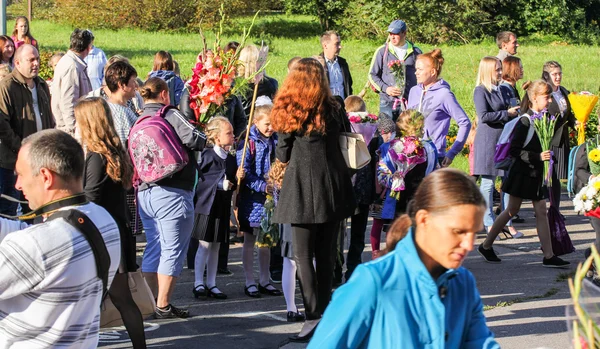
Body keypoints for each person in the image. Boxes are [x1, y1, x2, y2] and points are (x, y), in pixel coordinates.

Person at [308, 169, 500, 349]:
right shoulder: (373, 282)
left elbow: (482, 343)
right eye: (459, 231)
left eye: (474, 233)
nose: (469, 245)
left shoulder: (462, 283)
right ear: (424, 220)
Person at [0, 129, 121, 348]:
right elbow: (32, 236)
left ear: (46, 177)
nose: (17, 185)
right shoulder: (105, 221)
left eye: (21, 174)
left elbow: (33, 246)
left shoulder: (33, 246)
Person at [271, 57, 356, 342]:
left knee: (303, 255)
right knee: (327, 252)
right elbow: (347, 138)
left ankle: (312, 316)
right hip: (333, 184)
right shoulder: (335, 106)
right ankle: (326, 311)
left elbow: (283, 153)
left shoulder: (289, 108)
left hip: (302, 186)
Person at [74, 97, 146, 349]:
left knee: (106, 299)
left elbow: (90, 197)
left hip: (102, 236)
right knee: (120, 298)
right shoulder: (115, 151)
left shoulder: (96, 156)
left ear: (89, 122)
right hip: (117, 231)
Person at [478, 80, 571, 268]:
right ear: (534, 98)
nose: (549, 100)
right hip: (522, 174)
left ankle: (548, 255)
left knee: (540, 212)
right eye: (546, 97)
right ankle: (486, 245)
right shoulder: (525, 121)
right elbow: (515, 151)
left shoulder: (543, 119)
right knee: (511, 211)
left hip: (535, 175)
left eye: (550, 96)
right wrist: (538, 156)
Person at [137, 77, 207, 318]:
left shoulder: (140, 118)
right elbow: (194, 139)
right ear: (165, 94)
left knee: (154, 246)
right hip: (173, 191)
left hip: (145, 190)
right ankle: (163, 304)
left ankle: (148, 303)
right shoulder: (169, 113)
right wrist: (204, 133)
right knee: (172, 249)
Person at [191, 116, 244, 301]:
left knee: (216, 246)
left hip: (221, 207)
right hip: (206, 207)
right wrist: (221, 184)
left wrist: (237, 178)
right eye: (228, 133)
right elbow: (200, 181)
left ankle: (212, 283)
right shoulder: (206, 156)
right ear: (216, 137)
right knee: (204, 245)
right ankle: (198, 282)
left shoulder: (230, 160)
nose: (233, 136)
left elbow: (233, 185)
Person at [472, 56, 523, 239]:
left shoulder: (501, 89)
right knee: (488, 182)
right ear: (487, 71)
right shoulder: (480, 91)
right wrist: (506, 113)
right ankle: (489, 222)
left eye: (501, 69)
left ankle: (506, 222)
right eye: (497, 70)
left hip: (503, 140)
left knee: (507, 182)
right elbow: (484, 116)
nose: (501, 73)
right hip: (487, 141)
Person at [0, 44, 53, 217]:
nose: (36, 63)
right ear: (17, 62)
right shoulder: (6, 87)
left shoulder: (41, 85)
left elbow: (49, 120)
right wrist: (22, 148)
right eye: (31, 60)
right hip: (13, 161)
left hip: (38, 160)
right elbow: (3, 126)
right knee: (10, 210)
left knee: (35, 210)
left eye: (37, 59)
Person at [236, 103, 282, 298]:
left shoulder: (276, 140)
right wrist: (262, 186)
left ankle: (265, 279)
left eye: (273, 124)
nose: (270, 128)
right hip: (252, 198)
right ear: (255, 122)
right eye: (267, 124)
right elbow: (244, 172)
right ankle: (249, 280)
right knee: (249, 239)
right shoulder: (248, 142)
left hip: (270, 197)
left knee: (266, 240)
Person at [407, 48, 471, 168]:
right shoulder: (413, 91)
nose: (416, 73)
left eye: (420, 69)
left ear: (432, 72)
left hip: (434, 157)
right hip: (411, 155)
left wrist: (452, 152)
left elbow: (465, 123)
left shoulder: (444, 95)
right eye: (416, 69)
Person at [269, 159, 305, 322]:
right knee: (299, 261)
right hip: (297, 214)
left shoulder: (281, 167)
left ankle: (292, 307)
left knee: (290, 263)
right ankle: (299, 306)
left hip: (288, 214)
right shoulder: (291, 167)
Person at [368, 19, 422, 119]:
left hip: (410, 103)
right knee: (386, 133)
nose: (392, 37)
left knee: (408, 134)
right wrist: (386, 89)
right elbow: (372, 75)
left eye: (396, 34)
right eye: (390, 33)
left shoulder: (416, 52)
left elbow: (423, 75)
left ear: (404, 33)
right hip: (387, 102)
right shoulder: (382, 51)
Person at [542, 61, 574, 207]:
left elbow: (568, 114)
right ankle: (542, 207)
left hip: (562, 139)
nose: (558, 77)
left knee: (557, 177)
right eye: (554, 74)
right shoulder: (543, 92)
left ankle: (555, 209)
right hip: (548, 139)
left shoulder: (564, 92)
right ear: (546, 76)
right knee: (548, 175)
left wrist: (575, 123)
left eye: (560, 73)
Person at [51, 28, 94, 137]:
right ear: (88, 47)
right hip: (71, 131)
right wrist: (73, 131)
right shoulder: (72, 66)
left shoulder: (72, 62)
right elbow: (68, 101)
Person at [369, 116, 397, 258]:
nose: (385, 135)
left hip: (384, 190)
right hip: (389, 190)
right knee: (386, 224)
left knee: (379, 223)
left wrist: (378, 189)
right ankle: (384, 252)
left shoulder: (383, 148)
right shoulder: (388, 147)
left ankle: (376, 252)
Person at [104, 60, 139, 146]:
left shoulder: (108, 105)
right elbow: (124, 146)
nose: (136, 85)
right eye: (133, 81)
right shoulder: (120, 113)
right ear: (121, 85)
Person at [320, 31, 353, 99]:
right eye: (337, 44)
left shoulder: (343, 63)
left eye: (340, 43)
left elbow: (349, 85)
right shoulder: (318, 65)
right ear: (325, 45)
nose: (340, 47)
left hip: (343, 107)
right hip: (326, 107)